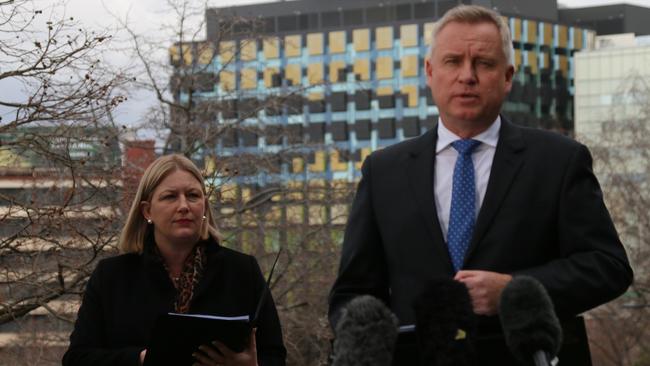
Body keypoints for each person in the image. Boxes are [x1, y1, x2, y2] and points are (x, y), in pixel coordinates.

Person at [328, 4, 633, 365]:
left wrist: (514, 291)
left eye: (484, 63)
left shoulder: (558, 161)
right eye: (453, 61)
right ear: (430, 72)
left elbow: (608, 267)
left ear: (507, 76)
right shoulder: (383, 171)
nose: (467, 76)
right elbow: (352, 294)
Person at [63, 154, 286, 366]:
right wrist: (142, 359)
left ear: (205, 206)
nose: (183, 206)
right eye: (170, 196)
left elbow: (275, 355)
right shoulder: (112, 276)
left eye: (193, 195)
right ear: (147, 210)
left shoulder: (242, 271)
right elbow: (77, 359)